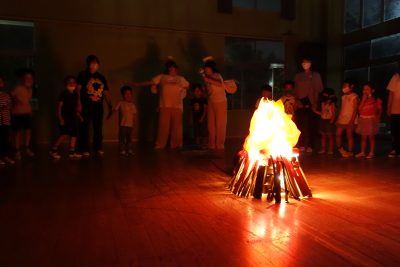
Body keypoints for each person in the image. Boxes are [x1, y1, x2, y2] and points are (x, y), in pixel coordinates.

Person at [132, 57, 189, 149]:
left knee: (177, 127)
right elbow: (151, 82)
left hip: (177, 106)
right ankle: (160, 144)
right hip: (165, 105)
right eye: (170, 67)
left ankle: (176, 144)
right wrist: (138, 84)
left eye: (173, 67)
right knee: (163, 126)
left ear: (176, 68)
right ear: (167, 68)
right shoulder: (162, 77)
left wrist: (182, 90)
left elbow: (187, 86)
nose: (172, 69)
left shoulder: (180, 78)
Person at [77, 55, 112, 157]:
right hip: (86, 105)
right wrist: (78, 103)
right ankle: (84, 148)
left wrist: (110, 105)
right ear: (88, 64)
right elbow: (78, 89)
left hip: (98, 106)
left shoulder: (101, 77)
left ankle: (98, 147)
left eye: (95, 63)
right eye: (91, 63)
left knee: (98, 127)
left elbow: (105, 92)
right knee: (84, 127)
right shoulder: (82, 75)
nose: (93, 65)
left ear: (98, 65)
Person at [294, 57, 324, 153]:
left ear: (311, 64)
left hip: (312, 102)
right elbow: (295, 90)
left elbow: (319, 89)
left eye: (307, 63)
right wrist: (297, 101)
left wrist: (315, 103)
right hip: (300, 102)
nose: (305, 64)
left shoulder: (315, 75)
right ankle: (301, 143)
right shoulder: (298, 76)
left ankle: (311, 145)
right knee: (300, 124)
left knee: (312, 124)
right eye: (303, 63)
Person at [50, 76, 82, 160]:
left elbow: (75, 108)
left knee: (74, 135)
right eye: (69, 81)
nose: (71, 83)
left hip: (73, 118)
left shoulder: (75, 94)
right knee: (63, 135)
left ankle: (72, 152)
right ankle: (53, 150)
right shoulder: (64, 93)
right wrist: (60, 118)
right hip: (65, 118)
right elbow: (59, 107)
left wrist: (79, 116)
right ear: (66, 83)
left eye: (73, 81)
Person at [201, 56, 227, 150]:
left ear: (211, 68)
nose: (205, 70)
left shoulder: (217, 75)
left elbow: (220, 84)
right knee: (210, 124)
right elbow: (209, 91)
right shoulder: (206, 78)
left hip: (220, 102)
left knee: (220, 124)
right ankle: (211, 143)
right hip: (211, 101)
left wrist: (208, 80)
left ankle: (219, 144)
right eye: (205, 68)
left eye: (207, 68)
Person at [10, 68, 35, 160]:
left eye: (31, 78)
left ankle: (26, 148)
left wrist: (30, 110)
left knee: (28, 131)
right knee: (17, 132)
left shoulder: (30, 89)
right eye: (27, 77)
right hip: (17, 114)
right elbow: (11, 96)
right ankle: (17, 151)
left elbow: (27, 101)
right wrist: (15, 102)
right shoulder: (17, 88)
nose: (29, 79)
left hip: (27, 113)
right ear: (23, 78)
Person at [355, 83, 382, 159]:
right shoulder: (362, 98)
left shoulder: (376, 99)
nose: (365, 91)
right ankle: (362, 152)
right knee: (363, 137)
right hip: (363, 119)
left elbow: (380, 110)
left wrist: (378, 118)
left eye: (367, 89)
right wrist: (363, 100)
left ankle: (371, 152)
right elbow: (359, 109)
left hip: (371, 120)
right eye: (364, 89)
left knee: (371, 137)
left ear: (372, 90)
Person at [108, 85, 137, 156]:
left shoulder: (133, 105)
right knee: (122, 138)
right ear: (123, 95)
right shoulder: (120, 103)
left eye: (129, 94)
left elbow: (134, 115)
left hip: (130, 125)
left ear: (131, 94)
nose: (128, 95)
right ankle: (122, 150)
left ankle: (129, 150)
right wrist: (110, 116)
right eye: (126, 94)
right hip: (123, 124)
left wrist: (134, 124)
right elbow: (115, 110)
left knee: (129, 139)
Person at [336, 80, 359, 158]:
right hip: (342, 118)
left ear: (351, 86)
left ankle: (350, 151)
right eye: (343, 86)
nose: (344, 87)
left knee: (349, 135)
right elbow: (341, 108)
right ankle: (340, 148)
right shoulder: (343, 96)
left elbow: (355, 109)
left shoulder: (354, 96)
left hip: (350, 119)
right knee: (338, 134)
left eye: (346, 86)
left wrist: (352, 120)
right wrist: (338, 118)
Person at [0, 76, 15, 165]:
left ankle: (5, 156)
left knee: (5, 139)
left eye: (1, 81)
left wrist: (7, 107)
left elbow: (10, 106)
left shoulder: (6, 95)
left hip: (6, 120)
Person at [316, 88, 336, 155]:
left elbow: (334, 114)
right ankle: (323, 149)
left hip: (329, 120)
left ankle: (330, 150)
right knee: (323, 136)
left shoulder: (332, 104)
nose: (324, 95)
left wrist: (332, 120)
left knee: (329, 136)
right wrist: (315, 111)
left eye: (325, 94)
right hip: (323, 120)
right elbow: (322, 113)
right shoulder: (323, 103)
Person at [386, 70, 400, 158]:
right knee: (395, 131)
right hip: (395, 109)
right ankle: (395, 149)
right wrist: (388, 107)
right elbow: (391, 93)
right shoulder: (396, 77)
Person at [190, 83, 207, 147]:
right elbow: (191, 110)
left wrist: (202, 118)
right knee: (196, 131)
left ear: (201, 92)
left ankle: (204, 144)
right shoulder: (193, 100)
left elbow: (205, 109)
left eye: (198, 91)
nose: (197, 92)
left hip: (202, 118)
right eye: (195, 91)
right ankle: (197, 144)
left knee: (203, 131)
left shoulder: (203, 99)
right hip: (195, 118)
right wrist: (191, 118)